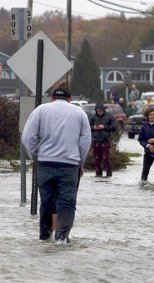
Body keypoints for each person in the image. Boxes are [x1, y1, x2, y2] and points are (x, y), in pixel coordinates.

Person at [22, 83, 92, 243]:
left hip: (45, 164)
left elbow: (28, 137)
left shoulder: (40, 110)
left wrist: (35, 157)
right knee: (67, 202)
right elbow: (85, 141)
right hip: (69, 165)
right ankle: (61, 238)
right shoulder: (79, 113)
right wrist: (80, 162)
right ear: (70, 99)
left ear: (52, 97)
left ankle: (45, 236)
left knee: (46, 202)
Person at [89, 103, 116, 177]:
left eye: (100, 111)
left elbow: (113, 127)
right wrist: (94, 128)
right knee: (96, 160)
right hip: (96, 141)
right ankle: (98, 175)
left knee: (106, 159)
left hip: (105, 140)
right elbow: (88, 127)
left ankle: (109, 175)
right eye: (98, 111)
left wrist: (104, 127)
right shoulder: (93, 117)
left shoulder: (110, 116)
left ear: (103, 110)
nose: (99, 112)